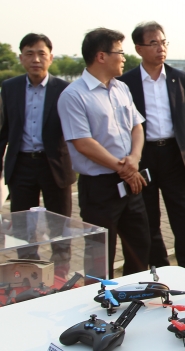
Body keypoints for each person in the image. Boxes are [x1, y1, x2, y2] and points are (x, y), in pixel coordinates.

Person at [58, 28, 150, 278]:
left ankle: (136, 297)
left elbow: (137, 126)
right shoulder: (74, 95)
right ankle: (101, 306)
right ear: (101, 56)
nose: (123, 58)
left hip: (131, 181)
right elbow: (83, 143)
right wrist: (124, 168)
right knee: (100, 256)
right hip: (99, 187)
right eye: (119, 52)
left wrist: (134, 159)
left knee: (139, 246)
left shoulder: (121, 88)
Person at [118, 22, 185, 272]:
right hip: (144, 155)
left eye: (163, 42)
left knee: (183, 214)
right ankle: (161, 267)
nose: (160, 48)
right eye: (153, 43)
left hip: (174, 154)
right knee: (148, 216)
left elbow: (183, 115)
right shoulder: (126, 82)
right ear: (139, 48)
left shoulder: (179, 77)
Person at [0, 33, 76, 274]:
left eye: (41, 54)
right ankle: (29, 274)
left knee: (60, 225)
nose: (36, 59)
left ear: (50, 58)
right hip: (21, 165)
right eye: (29, 54)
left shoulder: (64, 90)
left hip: (54, 165)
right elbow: (3, 130)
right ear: (21, 58)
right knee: (23, 226)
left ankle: (61, 274)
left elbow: (75, 131)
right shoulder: (9, 88)